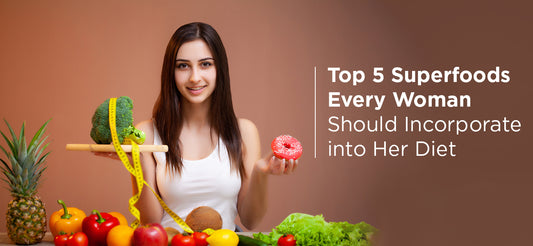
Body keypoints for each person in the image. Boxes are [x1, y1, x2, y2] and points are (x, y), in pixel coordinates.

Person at [104, 22, 298, 231]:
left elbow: (251, 221)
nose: (195, 77)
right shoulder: (148, 133)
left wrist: (261, 172)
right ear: (171, 72)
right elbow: (149, 222)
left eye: (205, 64)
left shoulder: (244, 132)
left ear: (219, 69)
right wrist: (136, 161)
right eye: (183, 66)